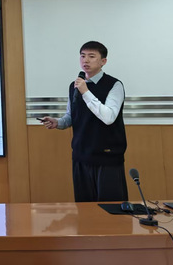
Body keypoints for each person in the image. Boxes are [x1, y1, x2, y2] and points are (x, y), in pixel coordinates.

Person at [40, 41, 128, 202]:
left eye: (91, 56)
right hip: (81, 156)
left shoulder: (114, 85)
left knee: (110, 208)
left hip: (107, 157)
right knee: (84, 208)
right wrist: (58, 122)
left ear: (103, 61)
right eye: (82, 56)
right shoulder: (75, 85)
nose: (85, 60)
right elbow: (71, 116)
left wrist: (86, 92)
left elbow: (108, 117)